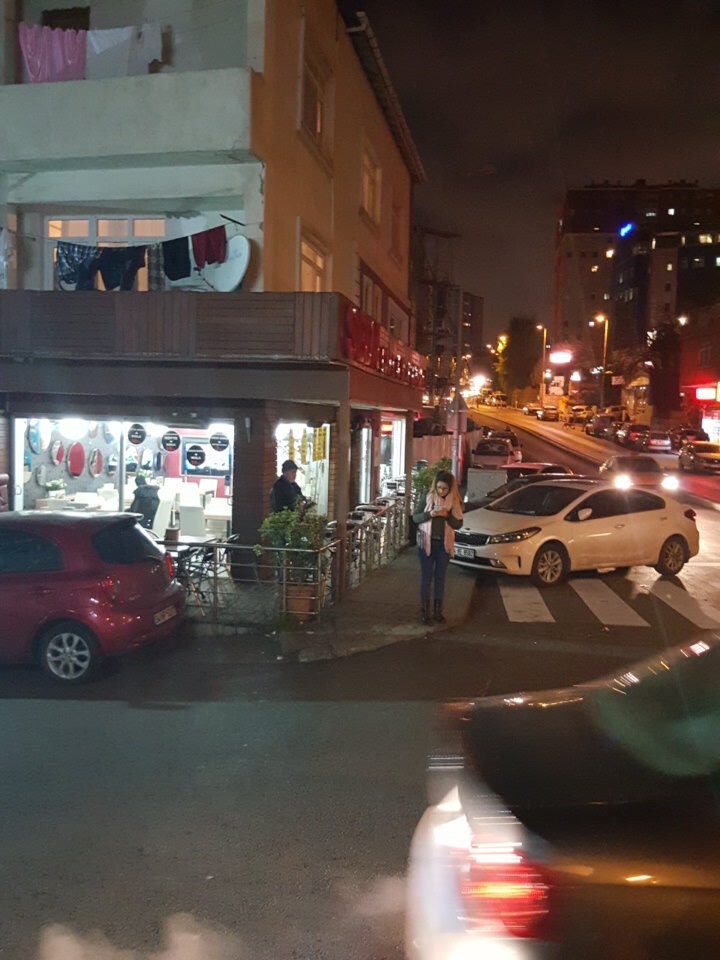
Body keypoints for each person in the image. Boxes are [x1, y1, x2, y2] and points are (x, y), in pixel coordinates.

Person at [413, 470, 463, 625]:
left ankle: (437, 611)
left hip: (443, 545)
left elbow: (458, 523)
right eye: (439, 487)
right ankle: (424, 612)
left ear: (450, 488)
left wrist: (447, 515)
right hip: (426, 543)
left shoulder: (454, 501)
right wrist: (430, 514)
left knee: (440, 578)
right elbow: (415, 517)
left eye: (445, 489)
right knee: (426, 577)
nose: (441, 491)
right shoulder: (428, 497)